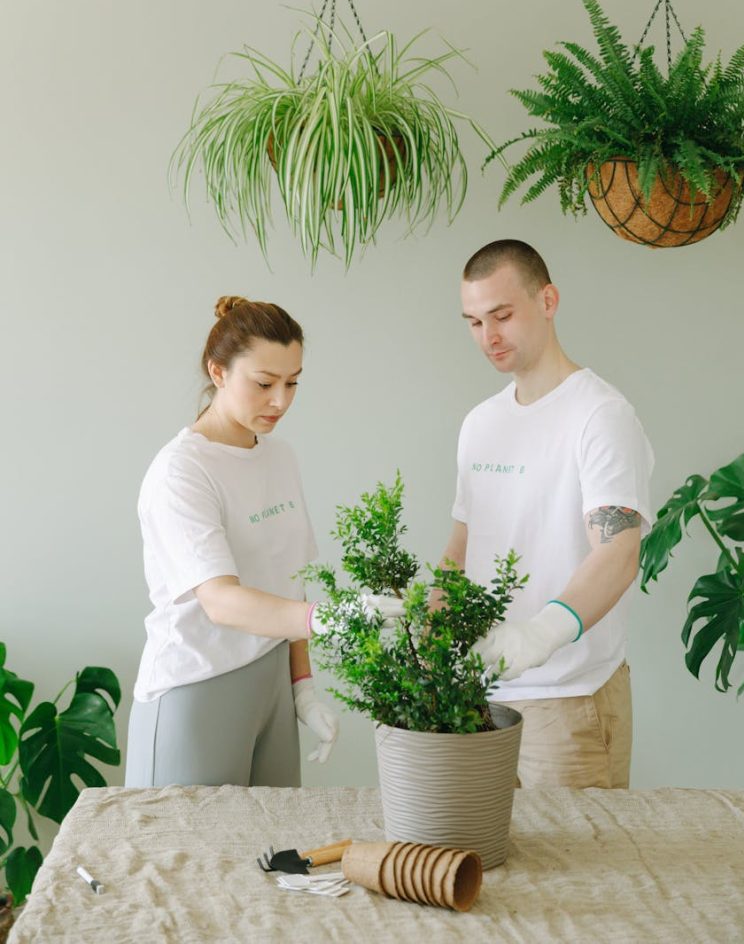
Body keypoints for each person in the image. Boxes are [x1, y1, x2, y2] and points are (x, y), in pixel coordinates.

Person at [125, 295, 402, 788]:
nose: (281, 401)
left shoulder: (280, 458)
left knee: (275, 856)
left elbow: (289, 583)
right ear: (218, 372)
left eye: (292, 383)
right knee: (189, 856)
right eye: (264, 384)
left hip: (271, 683)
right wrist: (329, 618)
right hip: (198, 688)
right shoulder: (182, 471)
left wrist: (302, 689)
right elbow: (221, 601)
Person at [443, 240, 654, 788]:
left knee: (578, 870)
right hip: (481, 698)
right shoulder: (480, 423)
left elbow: (619, 550)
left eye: (502, 316)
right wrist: (430, 622)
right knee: (488, 868)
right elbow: (464, 544)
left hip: (569, 702)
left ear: (548, 300)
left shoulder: (599, 415)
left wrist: (537, 636)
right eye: (472, 322)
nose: (488, 337)